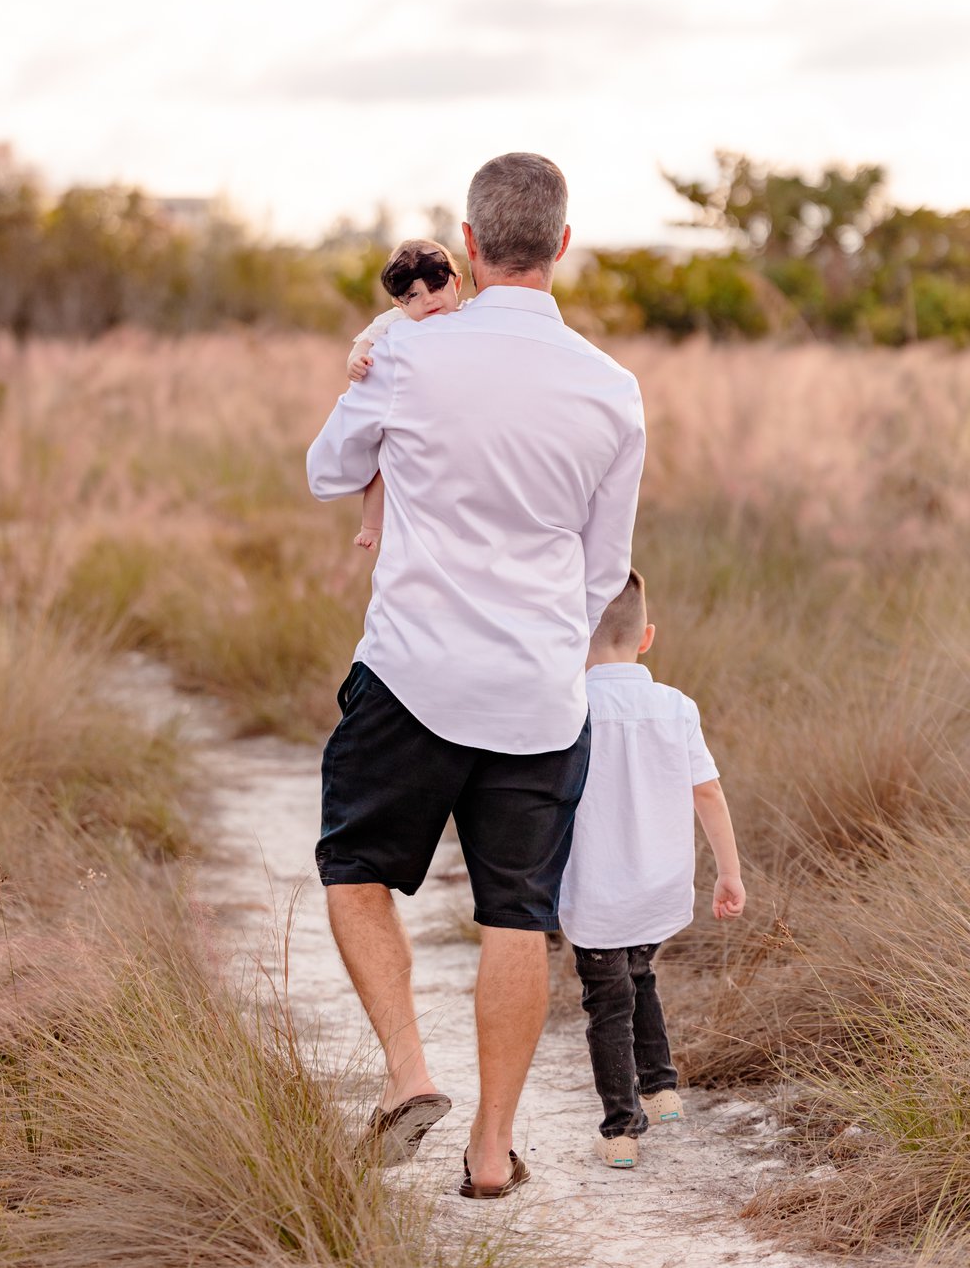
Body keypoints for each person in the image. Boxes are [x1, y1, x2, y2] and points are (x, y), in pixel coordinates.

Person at [306, 152, 645, 1199]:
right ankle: (492, 1151)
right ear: (562, 243)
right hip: (540, 693)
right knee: (516, 914)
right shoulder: (613, 389)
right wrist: (540, 641)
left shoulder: (410, 352)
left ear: (469, 240)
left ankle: (410, 1071)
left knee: (354, 866)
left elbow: (328, 470)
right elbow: (605, 567)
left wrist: (376, 353)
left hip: (410, 671)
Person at [558, 569, 746, 1170]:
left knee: (607, 1000)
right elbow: (708, 791)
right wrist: (728, 872)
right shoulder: (676, 707)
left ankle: (620, 1131)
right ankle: (661, 1089)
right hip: (659, 885)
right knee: (639, 972)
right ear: (647, 637)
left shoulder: (569, 707)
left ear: (576, 636)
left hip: (597, 889)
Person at [346, 239, 464, 551]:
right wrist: (355, 361)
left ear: (457, 284)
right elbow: (365, 341)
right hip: (408, 412)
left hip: (450, 410)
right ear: (399, 303)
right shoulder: (395, 322)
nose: (429, 300)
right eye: (414, 295)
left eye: (436, 286)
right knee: (384, 468)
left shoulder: (467, 316)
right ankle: (371, 527)